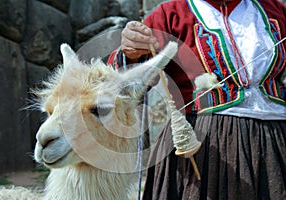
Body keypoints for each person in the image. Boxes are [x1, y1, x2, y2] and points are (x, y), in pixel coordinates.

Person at [108, 0, 286, 199]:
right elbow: (126, 85)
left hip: (276, 144)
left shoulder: (275, 10)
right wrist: (132, 53)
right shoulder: (171, 15)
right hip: (202, 147)